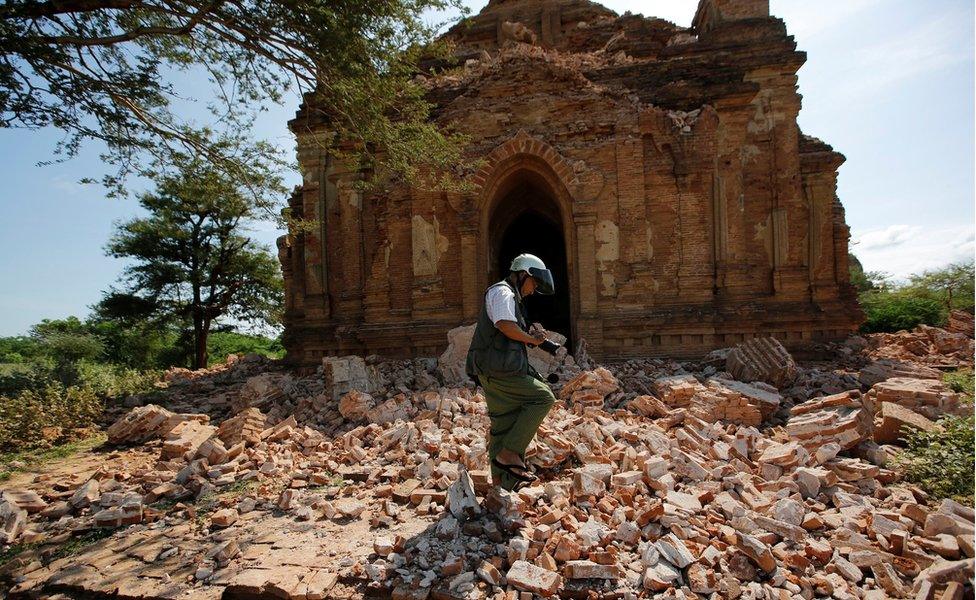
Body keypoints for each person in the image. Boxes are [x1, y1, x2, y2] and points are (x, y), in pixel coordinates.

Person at [465, 253, 562, 491]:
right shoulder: (502, 292)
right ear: (523, 275)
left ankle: (501, 486)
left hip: (496, 368)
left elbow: (510, 329)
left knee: (504, 423)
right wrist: (530, 338)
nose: (533, 290)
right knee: (543, 397)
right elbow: (504, 325)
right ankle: (509, 454)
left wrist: (532, 338)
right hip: (499, 369)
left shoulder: (510, 297)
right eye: (534, 283)